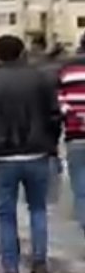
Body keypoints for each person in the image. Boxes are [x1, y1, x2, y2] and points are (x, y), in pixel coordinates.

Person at [0, 35, 62, 273]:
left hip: (0, 156)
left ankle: (10, 271)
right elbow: (55, 115)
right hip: (37, 152)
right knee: (38, 209)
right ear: (22, 52)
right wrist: (49, 143)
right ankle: (40, 263)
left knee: (5, 214)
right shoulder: (40, 78)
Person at [58, 34, 85, 237]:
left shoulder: (67, 72)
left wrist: (76, 116)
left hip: (76, 135)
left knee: (80, 186)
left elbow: (60, 102)